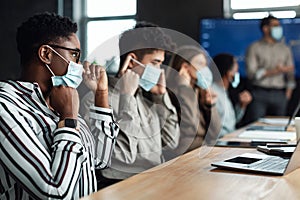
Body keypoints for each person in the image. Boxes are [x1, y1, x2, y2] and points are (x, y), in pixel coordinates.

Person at [0, 12, 119, 199]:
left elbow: (100, 160)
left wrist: (101, 94)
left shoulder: (60, 99)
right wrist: (68, 119)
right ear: (46, 54)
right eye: (74, 55)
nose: (80, 64)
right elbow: (53, 192)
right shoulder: (6, 107)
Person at [80, 22, 180, 188]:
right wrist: (127, 98)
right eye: (155, 63)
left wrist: (162, 97)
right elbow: (122, 156)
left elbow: (170, 142)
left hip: (154, 178)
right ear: (132, 60)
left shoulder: (145, 98)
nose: (159, 70)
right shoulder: (96, 100)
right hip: (121, 185)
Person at [165, 45, 220, 158]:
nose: (205, 69)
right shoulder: (171, 93)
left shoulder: (199, 91)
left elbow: (215, 133)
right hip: (183, 156)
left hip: (202, 152)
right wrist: (184, 89)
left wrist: (211, 105)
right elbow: (190, 127)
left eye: (206, 65)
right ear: (185, 67)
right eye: (200, 64)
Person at [244, 15, 295, 124]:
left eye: (279, 25)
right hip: (259, 93)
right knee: (256, 127)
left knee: (280, 127)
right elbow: (252, 74)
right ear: (265, 28)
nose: (279, 28)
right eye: (275, 26)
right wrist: (276, 71)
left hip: (280, 94)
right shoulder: (254, 48)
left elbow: (290, 73)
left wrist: (288, 93)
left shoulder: (285, 49)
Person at [212, 53, 252, 137]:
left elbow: (231, 122)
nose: (237, 74)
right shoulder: (213, 93)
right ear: (228, 74)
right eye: (235, 72)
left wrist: (242, 106)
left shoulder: (224, 92)